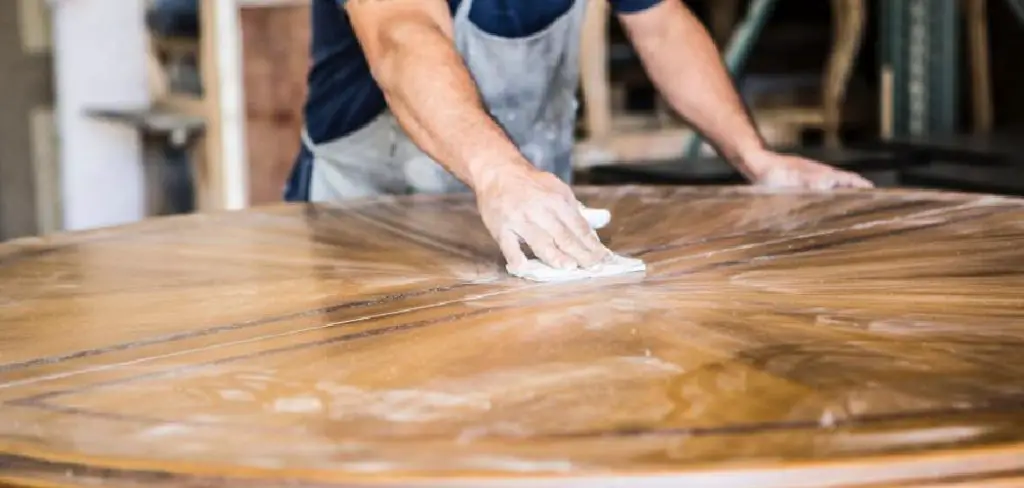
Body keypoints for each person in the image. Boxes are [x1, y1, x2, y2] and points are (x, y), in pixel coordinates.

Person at [284, 0, 874, 272]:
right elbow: (401, 36)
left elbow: (661, 23)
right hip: (373, 236)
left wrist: (756, 158)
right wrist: (499, 174)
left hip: (539, 231)